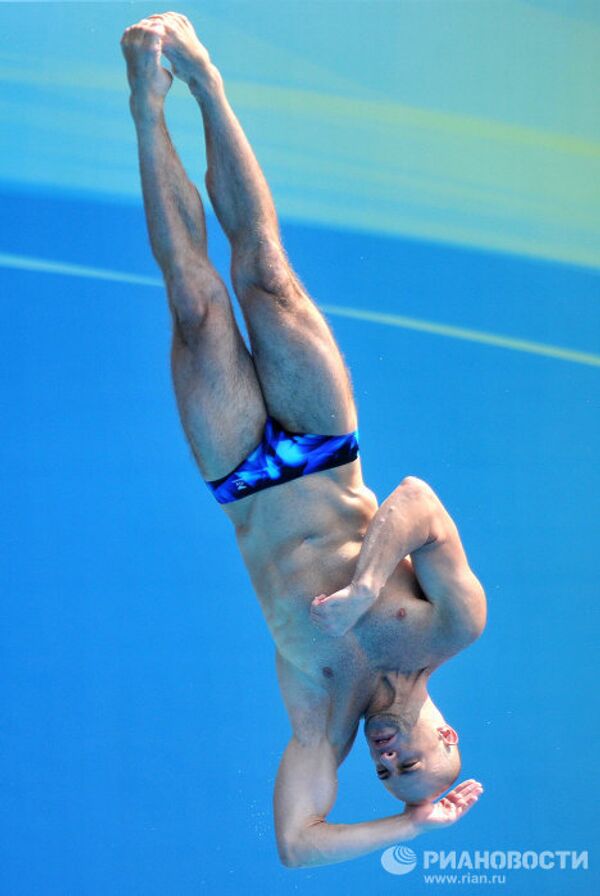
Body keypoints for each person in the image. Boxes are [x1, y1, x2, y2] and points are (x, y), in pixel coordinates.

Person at [121, 12, 487, 868]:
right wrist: (364, 584)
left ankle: (145, 105)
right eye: (418, 765)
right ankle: (206, 81)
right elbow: (418, 503)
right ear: (447, 733)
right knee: (265, 272)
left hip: (242, 479)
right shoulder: (454, 627)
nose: (394, 761)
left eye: (390, 774)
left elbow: (296, 845)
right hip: (322, 451)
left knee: (194, 300)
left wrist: (411, 828)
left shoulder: (321, 720)